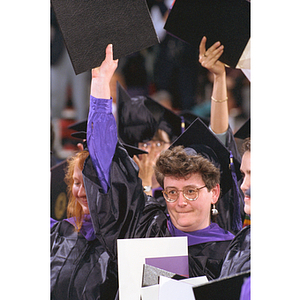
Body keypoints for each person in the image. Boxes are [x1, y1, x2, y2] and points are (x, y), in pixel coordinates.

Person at [81, 44, 235, 281]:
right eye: (171, 192)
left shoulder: (231, 252)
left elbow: (221, 143)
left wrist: (219, 78)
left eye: (191, 191)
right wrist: (101, 84)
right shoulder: (148, 230)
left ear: (214, 193)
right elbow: (109, 168)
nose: (180, 202)